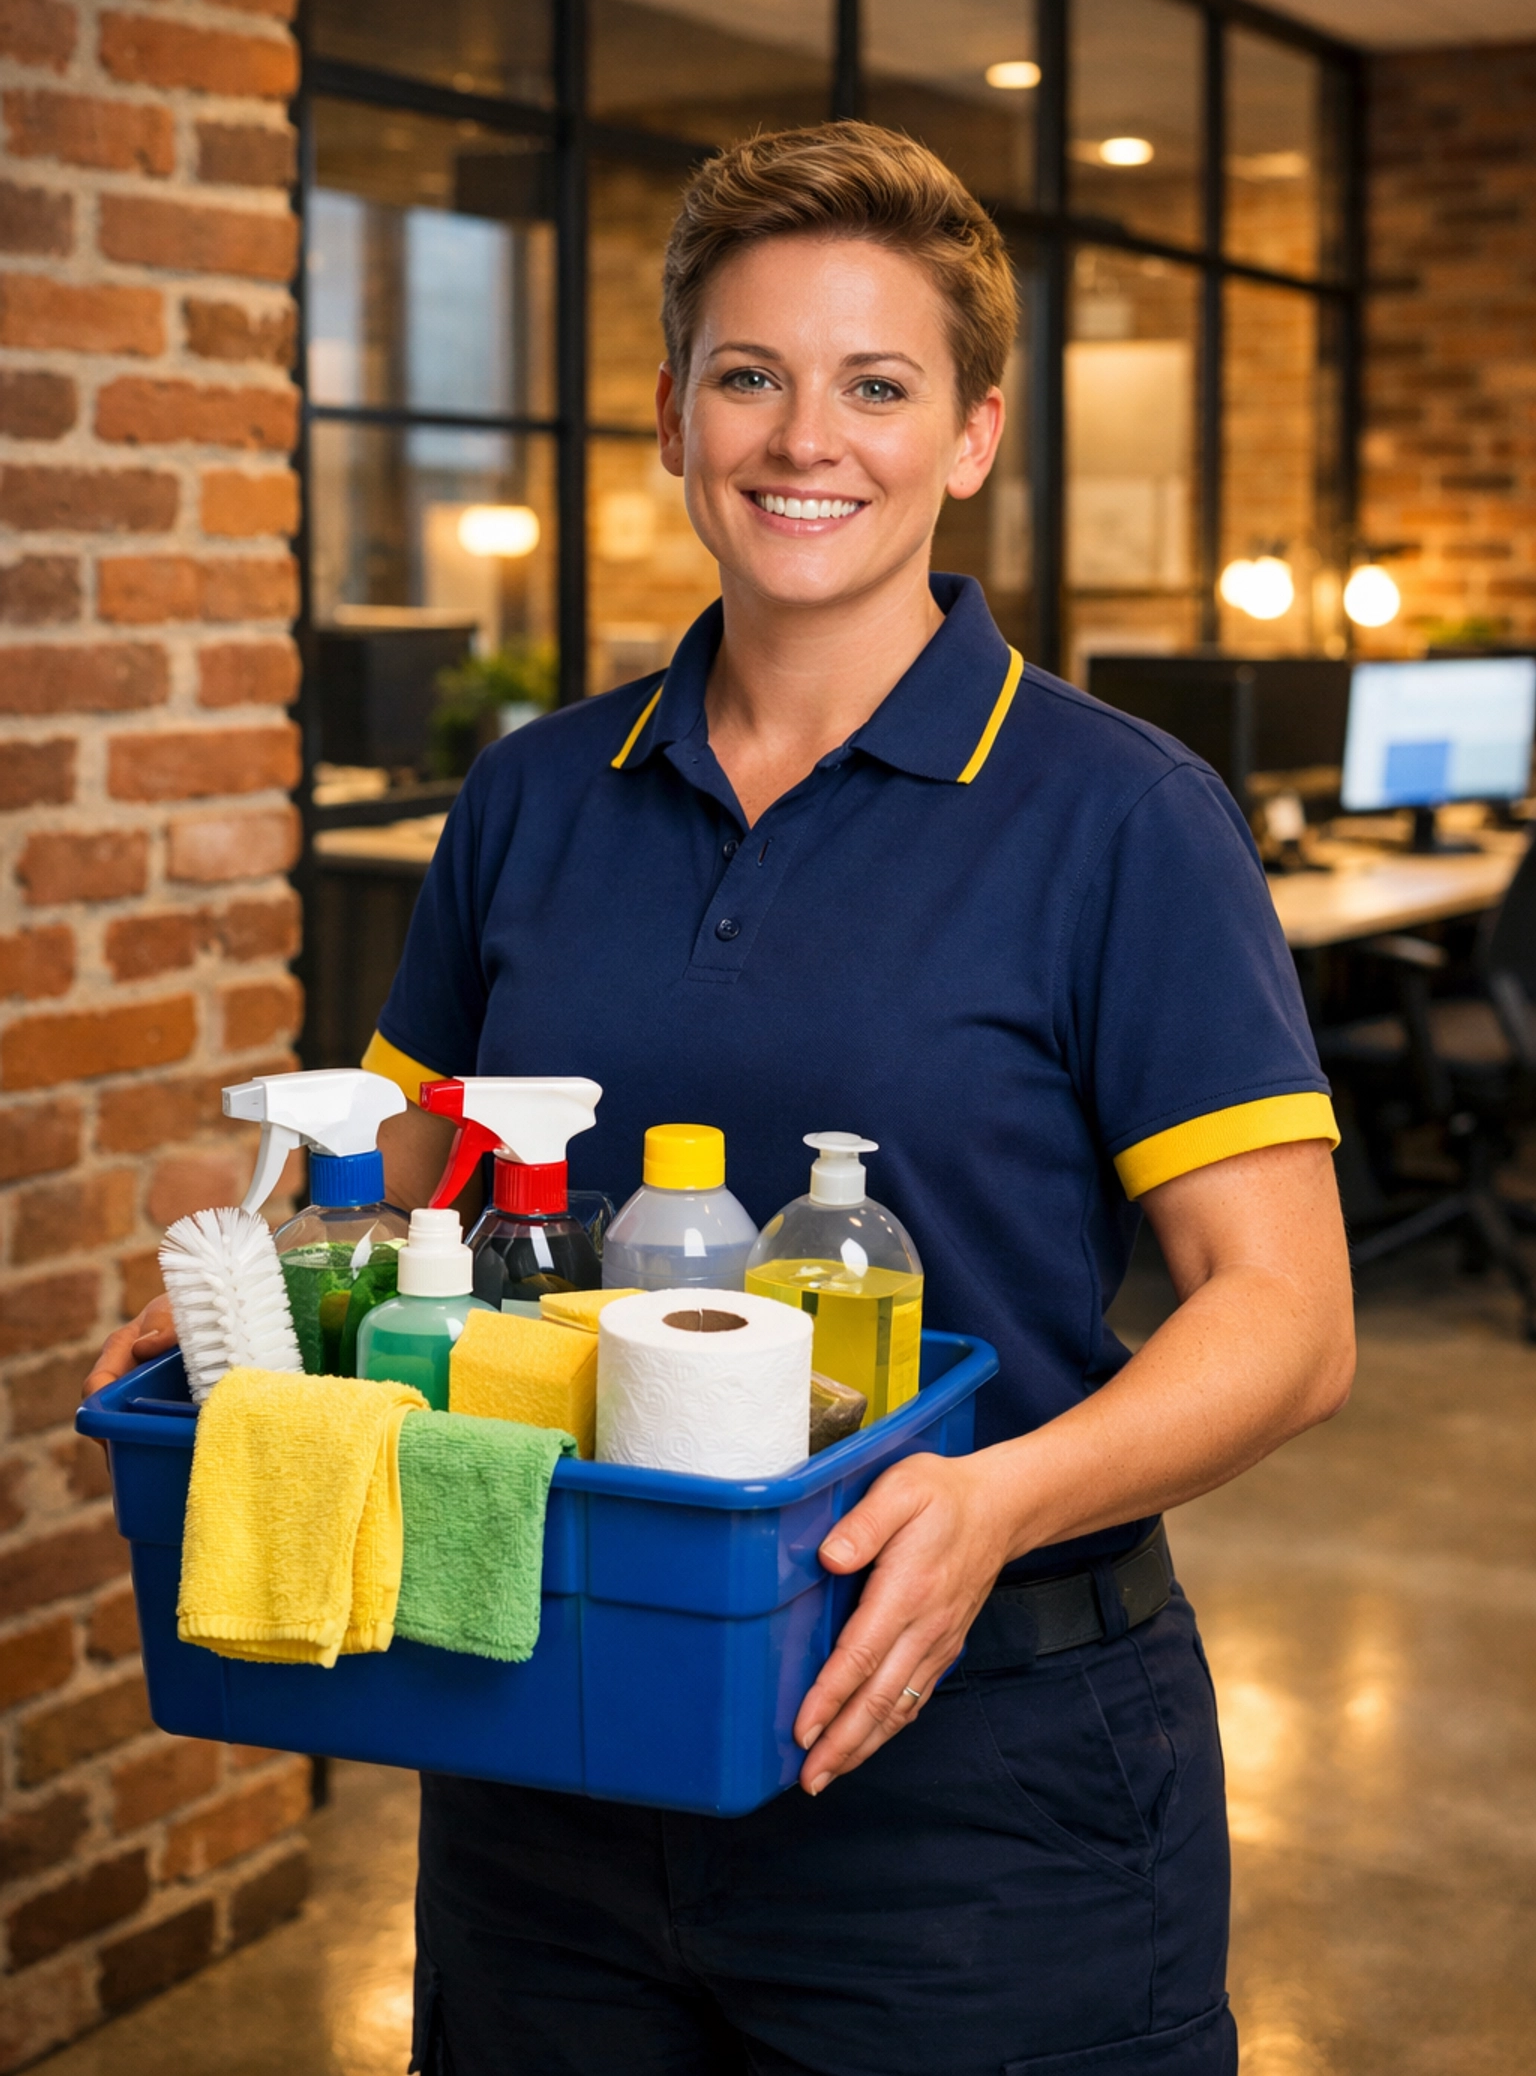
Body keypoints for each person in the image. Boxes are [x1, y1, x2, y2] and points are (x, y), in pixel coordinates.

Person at [90, 122, 1353, 2076]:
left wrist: (994, 1497)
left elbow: (1288, 1317)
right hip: (547, 1715)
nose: (803, 439)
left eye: (877, 384)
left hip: (972, 1769)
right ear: (672, 417)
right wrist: (243, 1310)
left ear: (973, 437)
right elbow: (397, 1169)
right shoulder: (533, 796)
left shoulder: (1120, 818)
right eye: (750, 376)